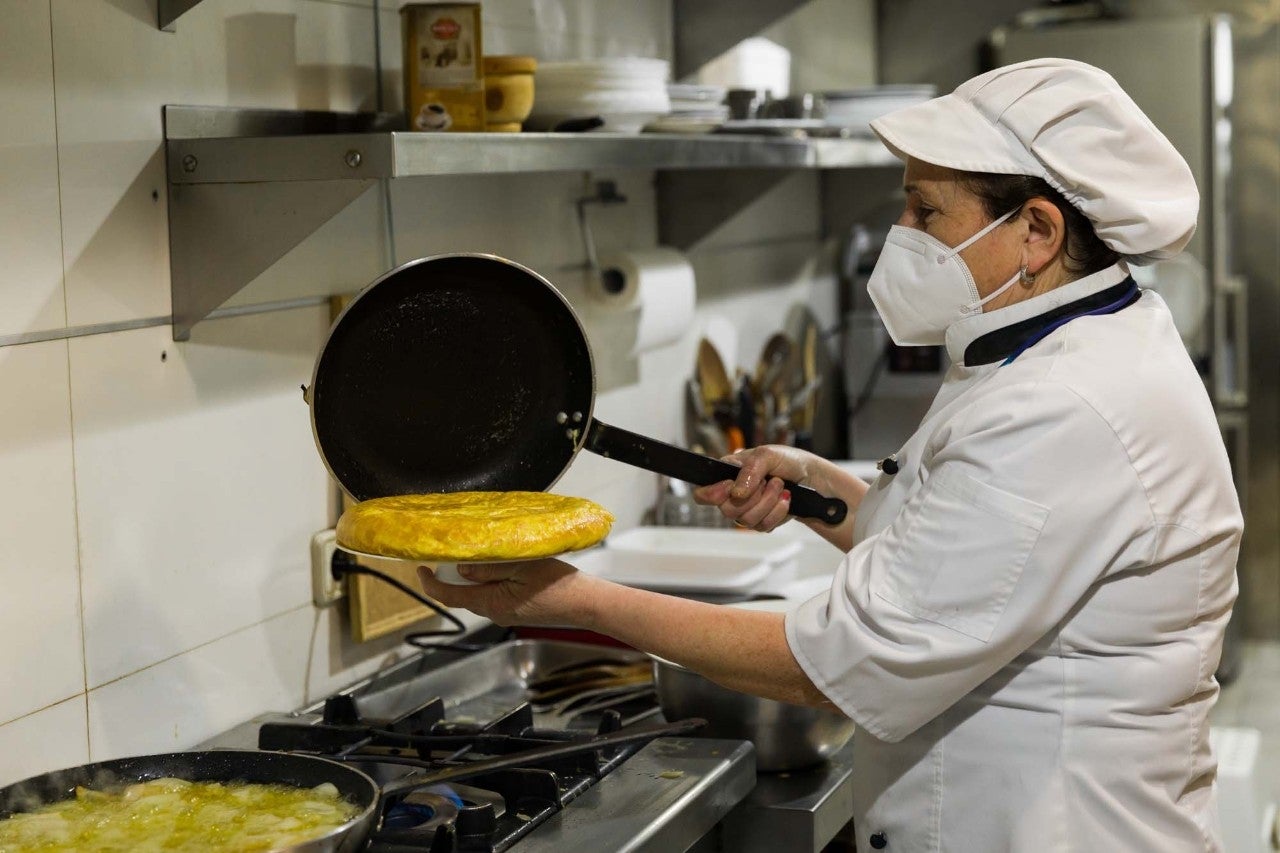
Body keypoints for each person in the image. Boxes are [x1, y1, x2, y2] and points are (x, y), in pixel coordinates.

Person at [418, 58, 1242, 852]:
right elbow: (959, 550)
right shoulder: (1063, 342)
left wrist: (576, 598)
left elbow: (839, 660)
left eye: (925, 211)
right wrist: (824, 490)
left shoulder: (1063, 405)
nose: (902, 233)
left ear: (1035, 231)